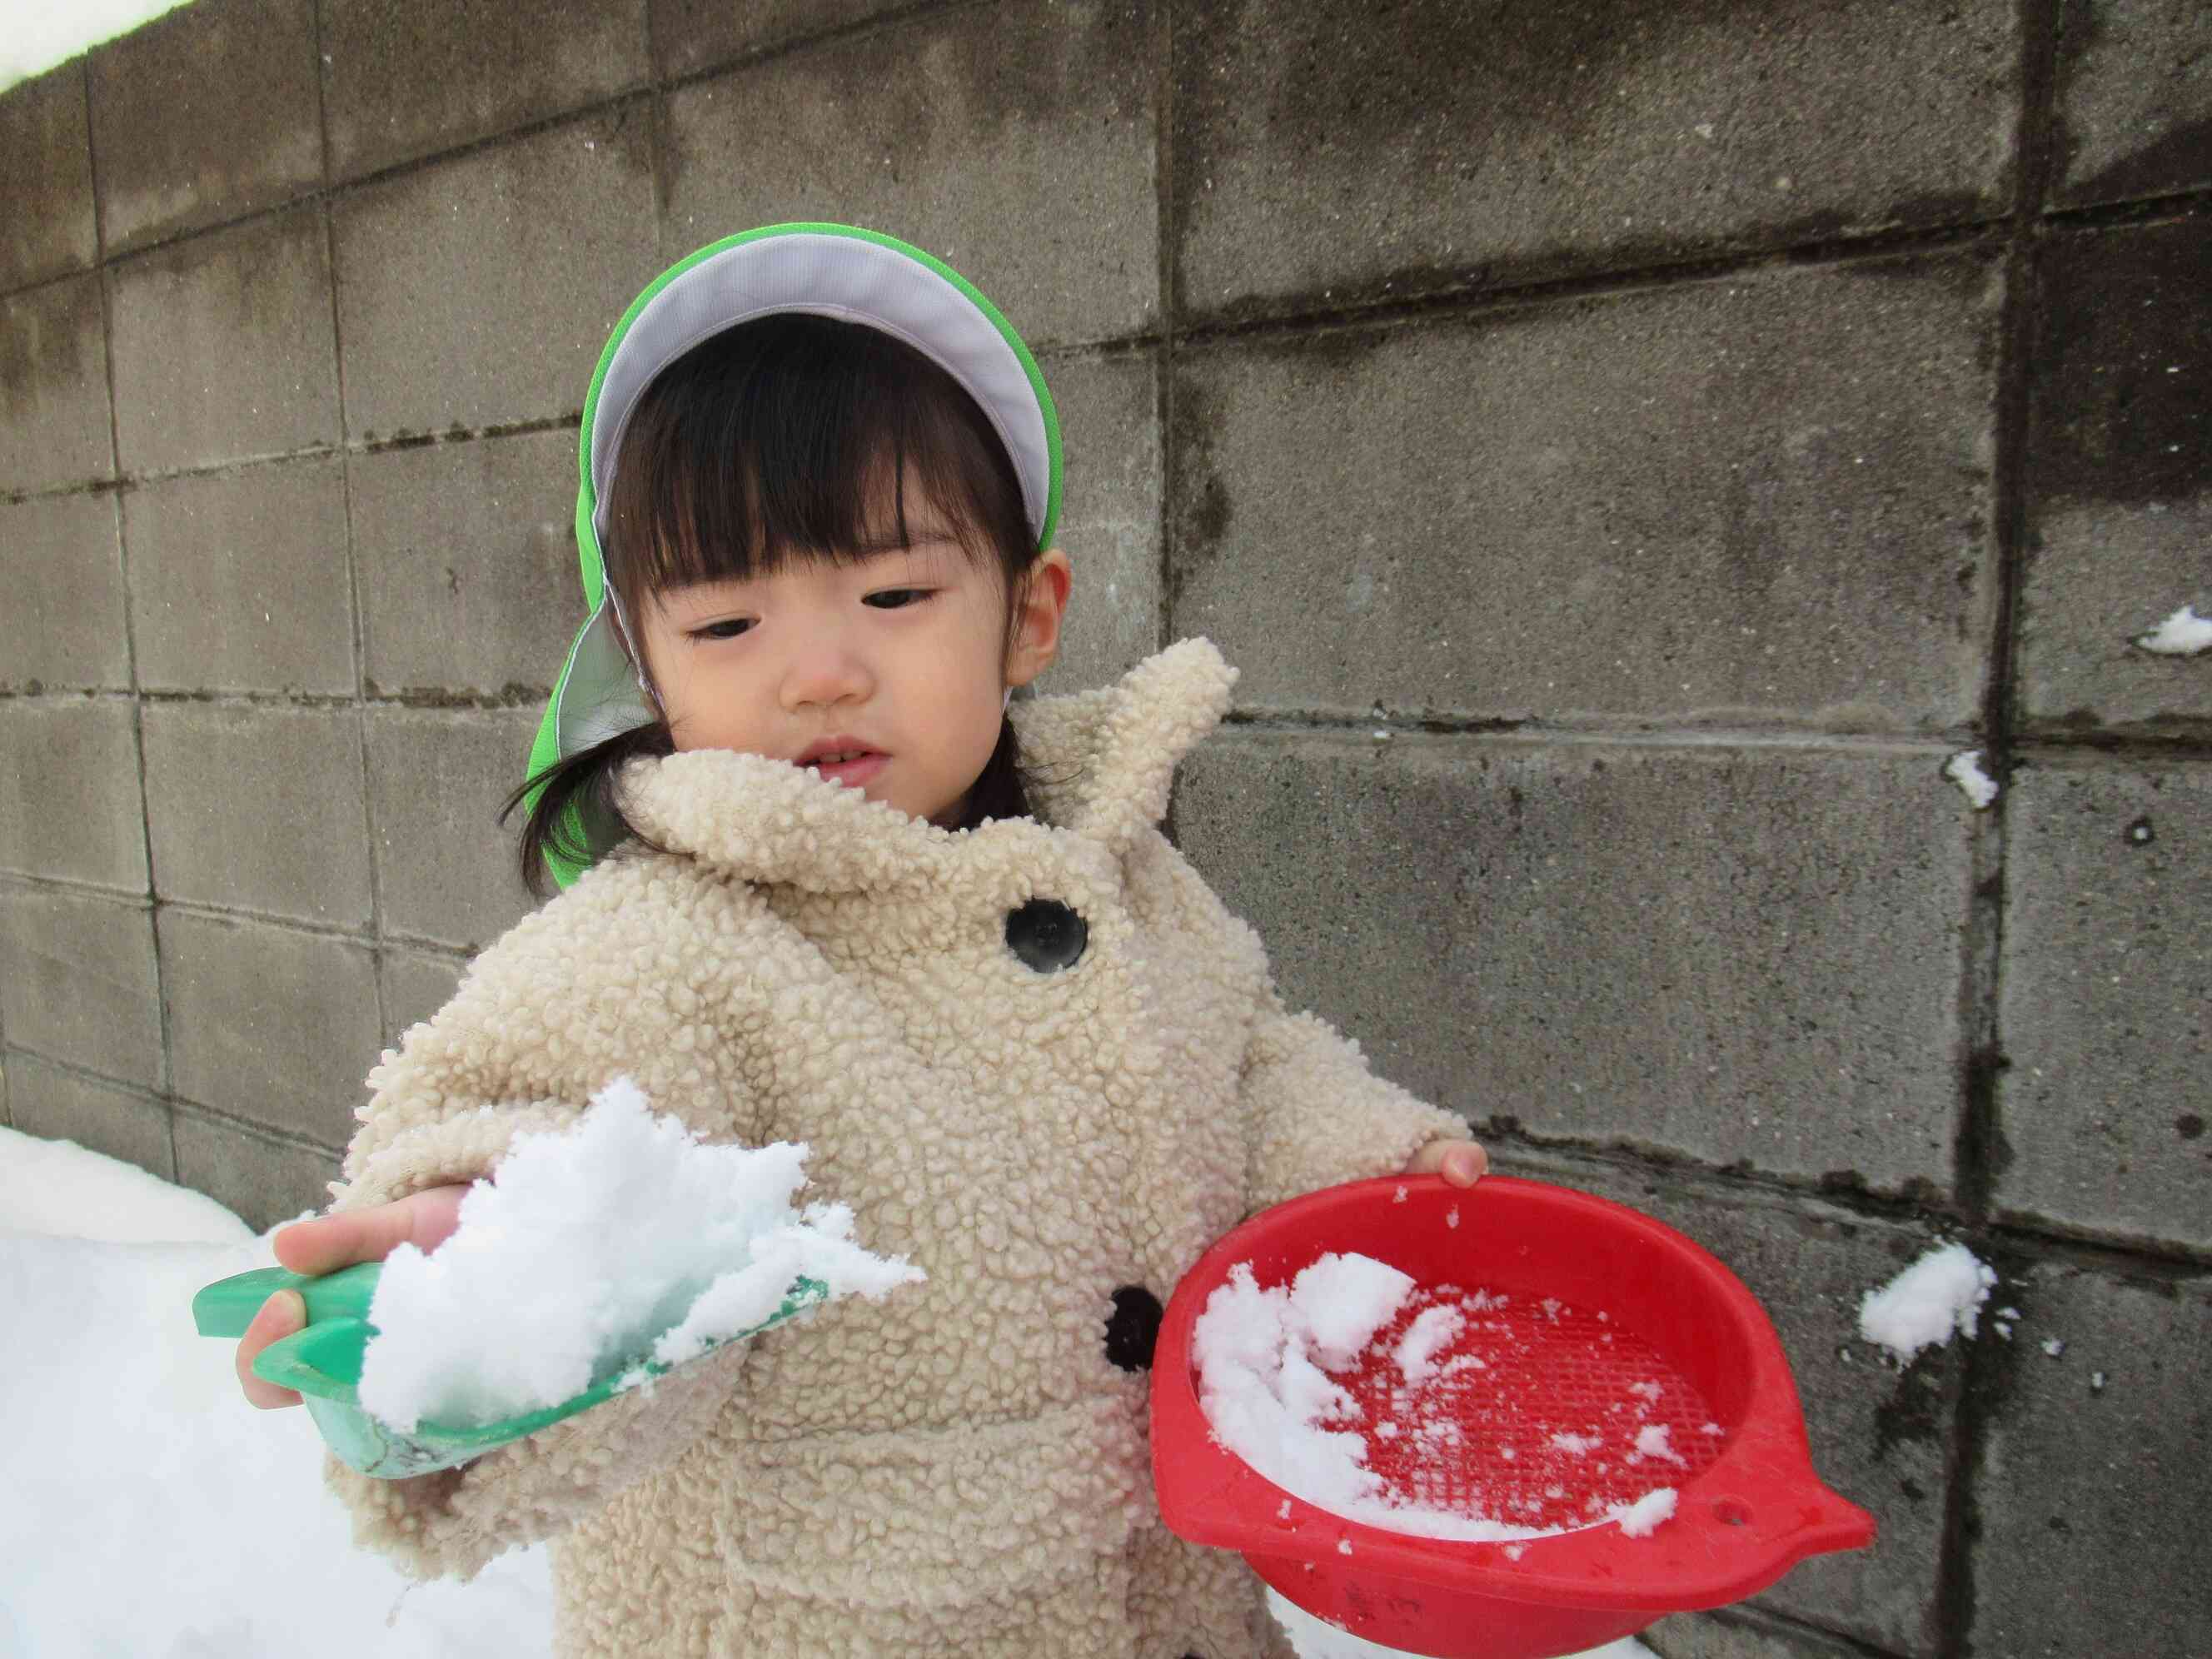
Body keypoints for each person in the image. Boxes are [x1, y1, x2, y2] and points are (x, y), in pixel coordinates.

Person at [233, 223, 1487, 1658]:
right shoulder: (665, 947)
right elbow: (556, 1119)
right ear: (643, 665)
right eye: (727, 622)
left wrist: (1370, 1169)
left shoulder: (1121, 877)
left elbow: (1245, 1066)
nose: (821, 671)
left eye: (895, 597)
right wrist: (491, 1251)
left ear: (1028, 617)